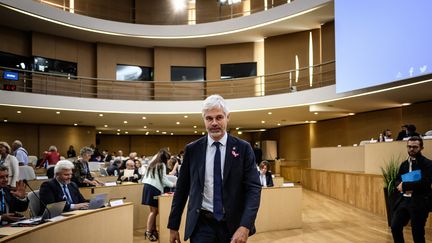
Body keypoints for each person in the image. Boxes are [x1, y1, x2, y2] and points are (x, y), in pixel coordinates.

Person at [168, 94, 262, 243]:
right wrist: (173, 226)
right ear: (204, 120)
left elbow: (254, 189)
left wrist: (245, 226)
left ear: (227, 117)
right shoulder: (193, 150)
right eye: (209, 118)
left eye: (219, 117)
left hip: (233, 225)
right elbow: (182, 189)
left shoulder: (244, 148)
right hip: (202, 224)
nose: (214, 123)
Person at [391, 136, 432, 243]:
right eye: (409, 147)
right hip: (404, 201)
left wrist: (404, 186)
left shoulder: (428, 164)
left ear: (421, 148)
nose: (411, 149)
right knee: (395, 226)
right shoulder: (404, 164)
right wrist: (399, 185)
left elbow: (425, 183)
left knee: (417, 233)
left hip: (419, 201)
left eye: (415, 147)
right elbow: (397, 179)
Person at [142, 149, 175, 241]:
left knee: (153, 211)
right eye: (168, 159)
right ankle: (148, 232)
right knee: (154, 212)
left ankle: (153, 230)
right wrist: (174, 184)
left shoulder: (153, 163)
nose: (168, 161)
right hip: (154, 189)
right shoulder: (162, 165)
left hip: (147, 187)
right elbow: (164, 180)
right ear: (165, 158)